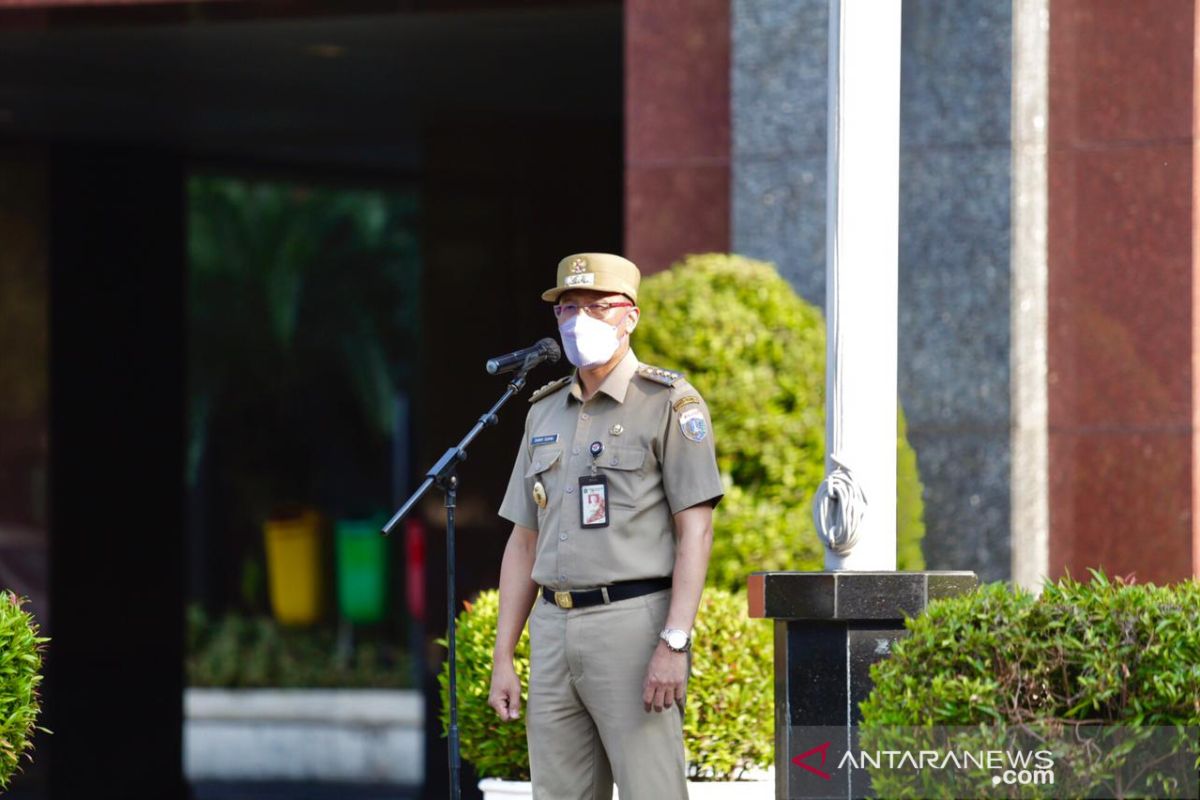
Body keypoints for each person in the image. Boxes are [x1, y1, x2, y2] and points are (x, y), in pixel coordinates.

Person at [488, 252, 724, 800]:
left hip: (631, 626)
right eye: (568, 308)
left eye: (597, 307)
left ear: (631, 317)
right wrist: (505, 655)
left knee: (652, 791)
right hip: (552, 629)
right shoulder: (542, 412)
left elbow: (697, 531)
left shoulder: (668, 402)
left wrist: (674, 642)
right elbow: (524, 540)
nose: (579, 321)